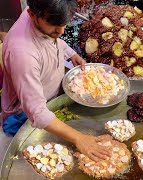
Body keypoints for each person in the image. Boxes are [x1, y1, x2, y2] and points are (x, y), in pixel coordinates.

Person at [1, 0, 110, 162]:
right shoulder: (23, 54)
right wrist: (79, 138)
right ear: (32, 14)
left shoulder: (44, 16)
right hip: (22, 113)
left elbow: (55, 39)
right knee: (23, 146)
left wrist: (70, 53)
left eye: (64, 23)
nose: (60, 31)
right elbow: (37, 113)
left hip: (46, 94)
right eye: (53, 25)